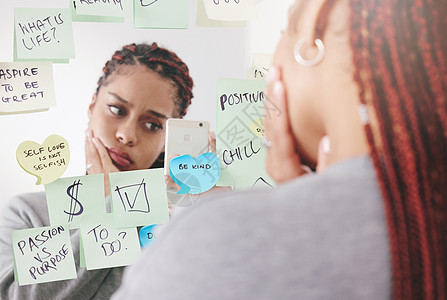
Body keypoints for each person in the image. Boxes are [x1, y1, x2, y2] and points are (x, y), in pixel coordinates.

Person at [112, 0, 447, 299]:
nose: (127, 135)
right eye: (117, 109)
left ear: (313, 42)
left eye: (286, 28)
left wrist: (297, 216)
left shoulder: (220, 238)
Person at [0, 42, 194, 299]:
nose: (126, 135)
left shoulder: (176, 231)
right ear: (92, 106)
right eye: (116, 110)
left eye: (151, 124)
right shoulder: (27, 213)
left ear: (166, 140)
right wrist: (114, 207)